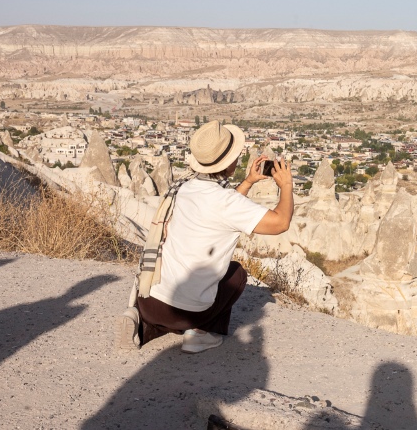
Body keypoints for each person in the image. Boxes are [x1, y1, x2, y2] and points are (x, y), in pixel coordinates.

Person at [116, 120, 294, 354]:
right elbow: (281, 223)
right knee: (237, 274)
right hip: (186, 313)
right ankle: (199, 334)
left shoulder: (185, 187)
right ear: (229, 162)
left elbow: (223, 207)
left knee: (168, 312)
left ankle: (142, 322)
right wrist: (287, 185)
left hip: (148, 299)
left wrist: (248, 182)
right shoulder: (227, 202)